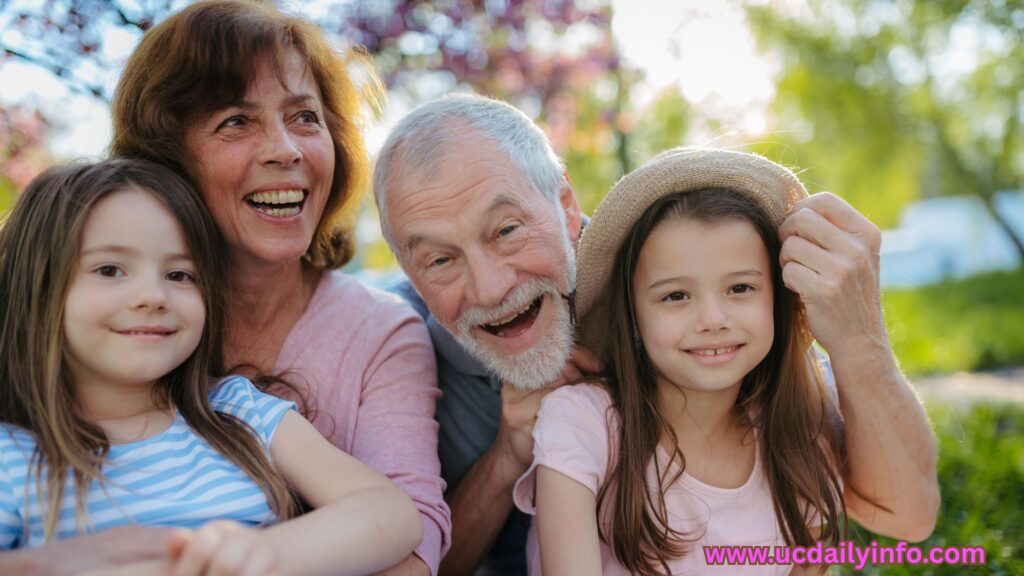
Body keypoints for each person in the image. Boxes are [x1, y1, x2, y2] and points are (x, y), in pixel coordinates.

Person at [374, 94, 939, 575]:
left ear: (566, 205)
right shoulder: (398, 353)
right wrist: (507, 455)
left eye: (506, 229)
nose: (491, 287)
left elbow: (906, 514)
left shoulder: (691, 285)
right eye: (440, 260)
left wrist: (859, 340)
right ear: (408, 270)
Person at [0, 2, 450, 575]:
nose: (285, 149)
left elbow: (404, 527)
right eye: (236, 120)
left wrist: (256, 558)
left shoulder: (238, 411)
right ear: (168, 157)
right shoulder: (18, 455)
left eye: (305, 117)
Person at [0, 158, 422, 576]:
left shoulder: (240, 413)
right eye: (109, 270)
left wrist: (265, 554)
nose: (153, 295)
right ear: (35, 287)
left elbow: (390, 512)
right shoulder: (11, 455)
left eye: (181, 275)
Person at [514, 147, 877, 574]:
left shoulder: (802, 432)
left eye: (740, 288)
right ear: (633, 317)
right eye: (675, 296)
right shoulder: (583, 423)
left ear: (777, 300)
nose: (712, 320)